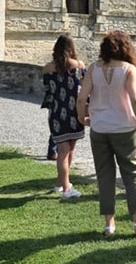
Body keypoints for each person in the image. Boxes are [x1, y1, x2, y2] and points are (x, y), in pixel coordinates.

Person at [77, 31, 136, 237]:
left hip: (99, 127)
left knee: (105, 175)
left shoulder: (93, 68)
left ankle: (109, 223)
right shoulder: (129, 69)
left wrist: (82, 118)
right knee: (132, 174)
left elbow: (81, 98)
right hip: (124, 126)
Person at [42, 34, 86, 199]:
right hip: (73, 112)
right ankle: (67, 189)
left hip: (55, 113)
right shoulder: (78, 65)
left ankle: (61, 182)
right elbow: (84, 88)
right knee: (69, 150)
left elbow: (47, 90)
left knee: (63, 150)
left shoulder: (47, 68)